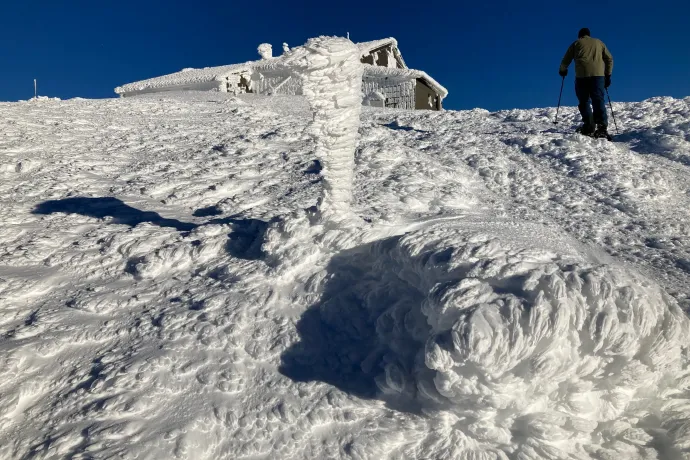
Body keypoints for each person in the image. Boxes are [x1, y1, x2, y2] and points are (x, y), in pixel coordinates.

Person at [559, 28, 614, 138]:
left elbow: (566, 60)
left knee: (584, 100)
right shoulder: (599, 42)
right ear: (589, 35)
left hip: (582, 76)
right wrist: (607, 75)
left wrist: (563, 70)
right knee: (598, 99)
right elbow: (609, 59)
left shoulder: (576, 43)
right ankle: (602, 127)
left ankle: (589, 126)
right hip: (598, 76)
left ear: (580, 36)